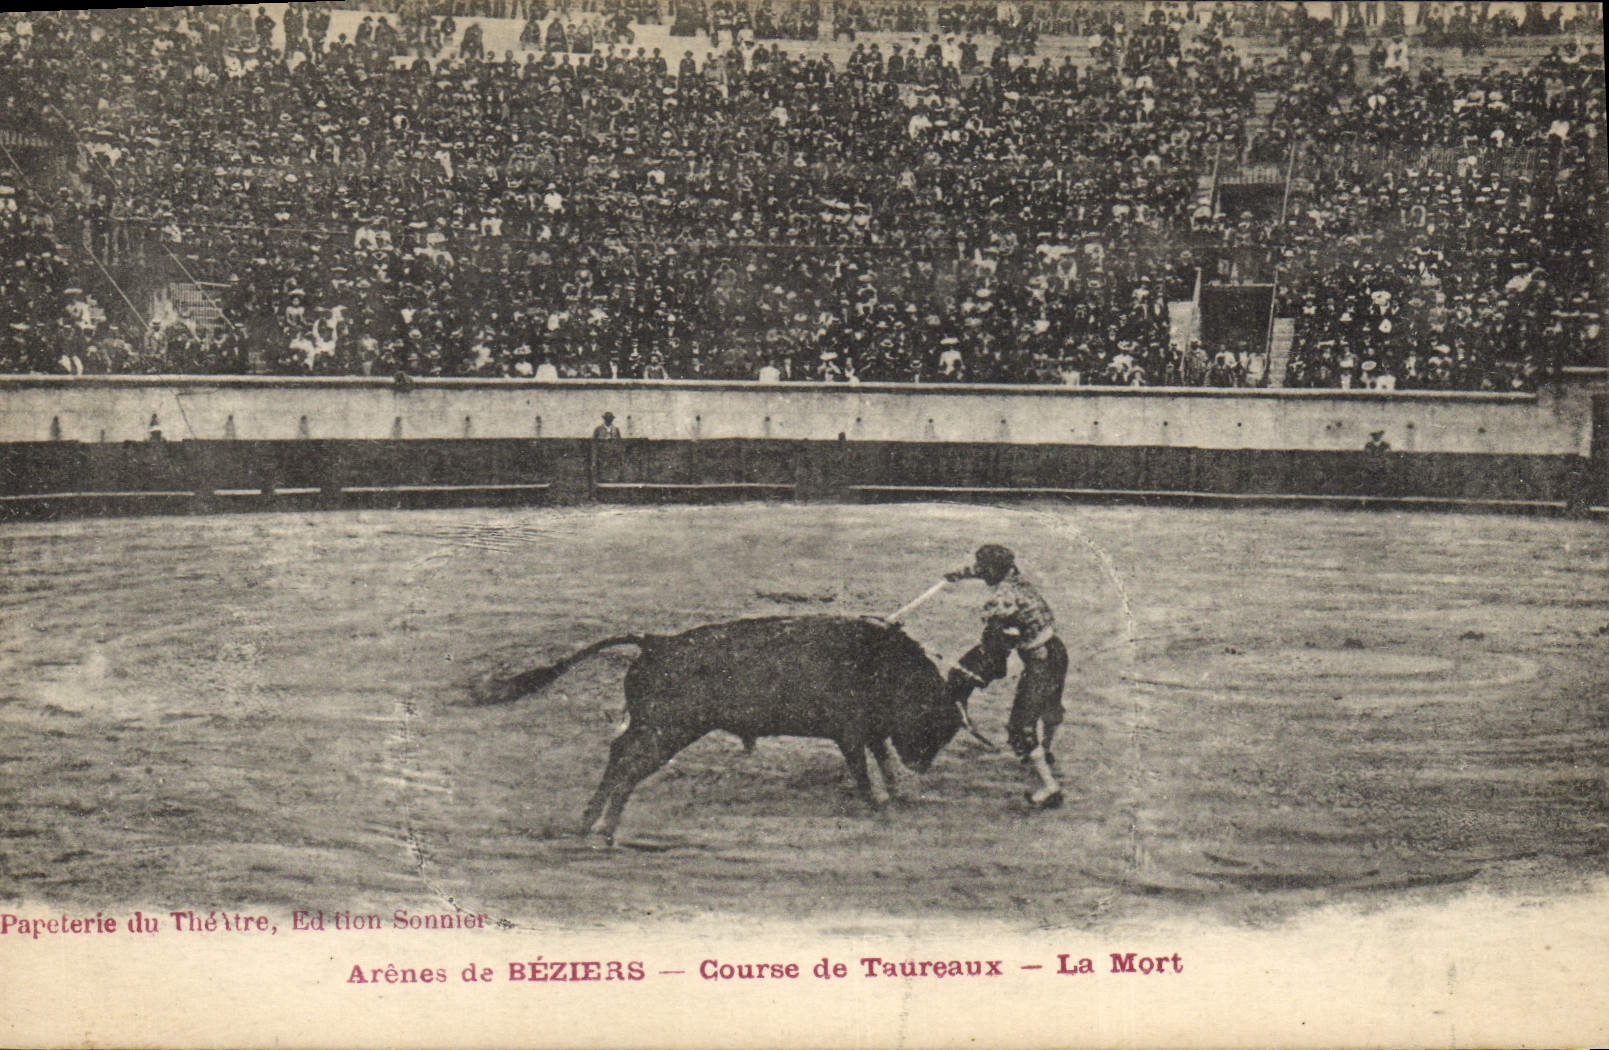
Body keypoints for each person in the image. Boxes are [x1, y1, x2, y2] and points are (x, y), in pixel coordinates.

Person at [944, 544, 1068, 809]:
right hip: (1056, 650)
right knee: (1050, 706)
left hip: (1040, 662)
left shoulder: (1002, 600)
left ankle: (1049, 788)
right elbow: (987, 573)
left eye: (984, 568)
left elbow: (998, 646)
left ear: (996, 570)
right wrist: (960, 574)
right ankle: (1045, 750)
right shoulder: (1014, 576)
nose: (981, 571)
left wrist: (975, 671)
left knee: (1020, 727)